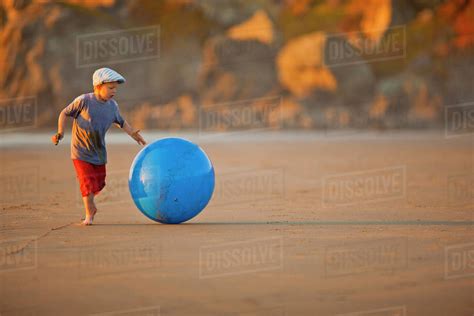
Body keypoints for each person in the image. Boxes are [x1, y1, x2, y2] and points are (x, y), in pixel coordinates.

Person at [52, 67, 146, 225]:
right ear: (97, 86)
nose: (114, 91)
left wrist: (133, 134)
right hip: (80, 151)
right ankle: (89, 213)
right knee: (87, 182)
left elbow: (122, 123)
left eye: (115, 88)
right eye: (110, 88)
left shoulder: (112, 106)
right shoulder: (84, 101)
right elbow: (64, 113)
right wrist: (60, 132)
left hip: (99, 153)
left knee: (99, 183)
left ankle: (90, 199)